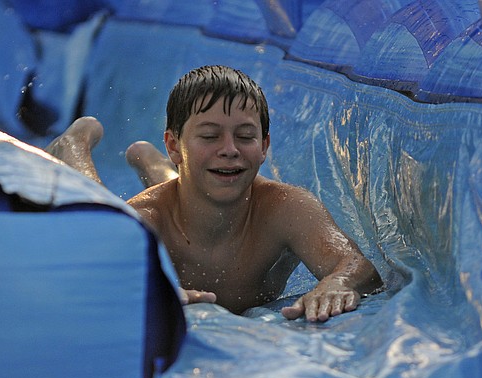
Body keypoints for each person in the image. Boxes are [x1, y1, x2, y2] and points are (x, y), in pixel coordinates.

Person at [46, 65, 382, 322]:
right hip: (159, 197)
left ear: (264, 146)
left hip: (187, 180)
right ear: (174, 145)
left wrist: (338, 283)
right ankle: (72, 146)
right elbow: (93, 281)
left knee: (200, 179)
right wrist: (143, 292)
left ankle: (153, 162)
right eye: (209, 136)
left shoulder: (287, 208)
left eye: (245, 136)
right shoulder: (147, 220)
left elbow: (357, 266)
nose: (230, 149)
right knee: (98, 213)